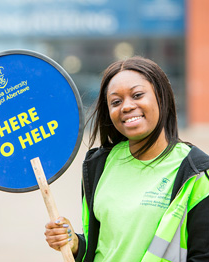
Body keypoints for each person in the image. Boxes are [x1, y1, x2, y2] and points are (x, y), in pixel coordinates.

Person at [44, 56, 209, 261]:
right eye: (116, 101)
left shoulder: (196, 172)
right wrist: (74, 243)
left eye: (137, 95)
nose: (126, 106)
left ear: (161, 96)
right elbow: (104, 246)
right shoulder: (98, 165)